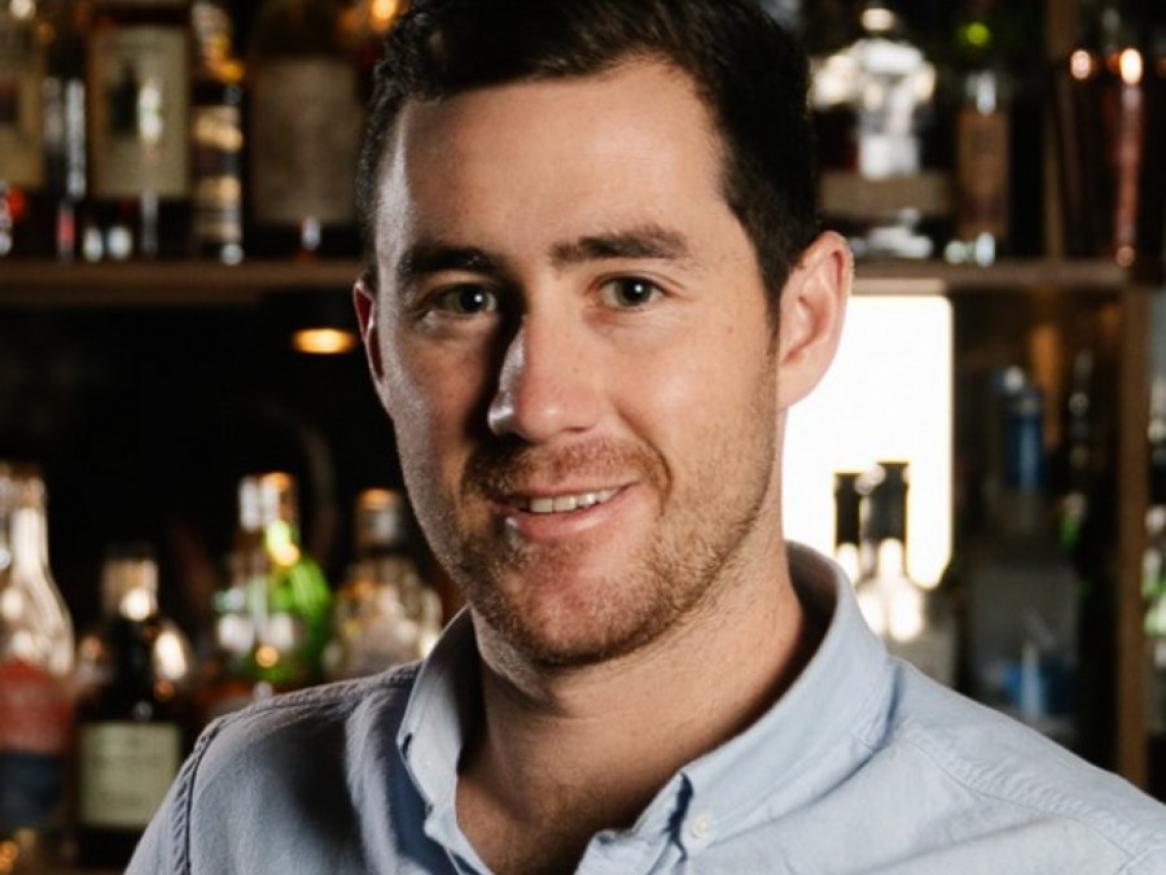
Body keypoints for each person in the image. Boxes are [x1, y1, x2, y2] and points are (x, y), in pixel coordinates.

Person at [128, 1, 1166, 872]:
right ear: (379, 348)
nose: (533, 403)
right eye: (465, 297)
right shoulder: (229, 816)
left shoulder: (1085, 858)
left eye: (629, 287)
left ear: (799, 319)